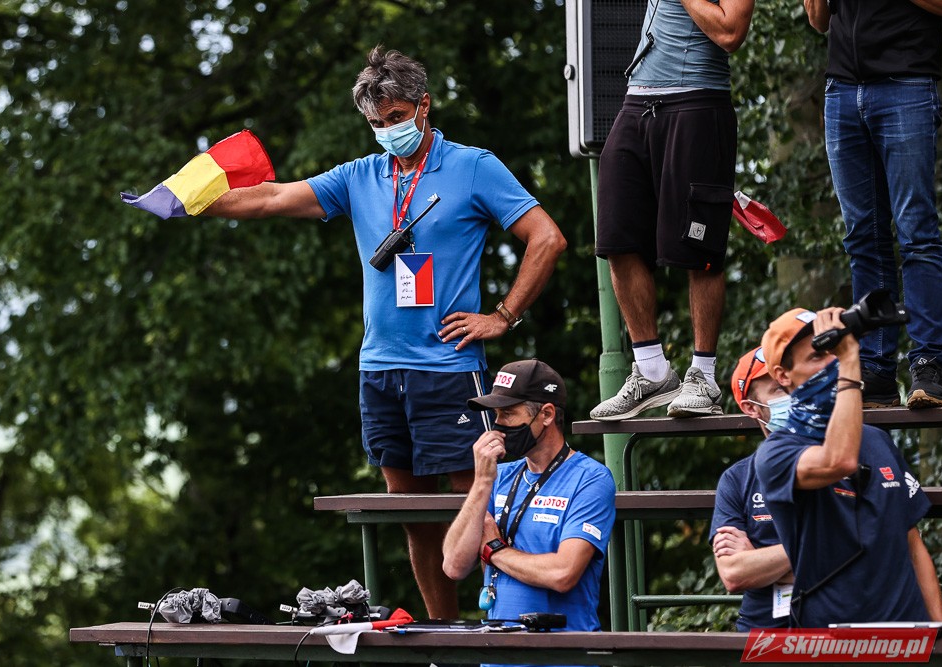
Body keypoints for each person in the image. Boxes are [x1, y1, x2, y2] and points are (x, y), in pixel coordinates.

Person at [204, 47, 566, 619]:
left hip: (449, 369)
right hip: (379, 371)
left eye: (396, 117)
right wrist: (190, 200)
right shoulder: (359, 176)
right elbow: (271, 196)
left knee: (477, 506)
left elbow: (547, 237)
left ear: (424, 105)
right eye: (376, 123)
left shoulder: (473, 165)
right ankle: (445, 637)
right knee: (413, 519)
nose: (387, 131)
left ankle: (501, 629)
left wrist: (502, 315)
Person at [589, 0, 755, 422]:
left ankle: (704, 377)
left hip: (698, 101)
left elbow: (731, 31)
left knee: (699, 249)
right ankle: (651, 371)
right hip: (637, 101)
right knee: (617, 240)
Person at [753, 307, 942, 627]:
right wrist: (849, 361)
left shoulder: (878, 440)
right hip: (835, 641)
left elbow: (913, 544)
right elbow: (839, 460)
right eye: (818, 356)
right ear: (783, 376)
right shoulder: (776, 454)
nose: (831, 362)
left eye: (835, 352)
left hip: (908, 636)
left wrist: (939, 625)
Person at [804, 0, 942, 409]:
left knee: (917, 234)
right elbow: (817, 20)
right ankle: (876, 370)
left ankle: (930, 364)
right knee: (863, 239)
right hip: (842, 89)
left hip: (907, 82)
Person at [442, 359, 616, 644]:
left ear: (546, 414)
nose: (498, 425)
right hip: (497, 654)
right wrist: (482, 482)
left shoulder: (591, 478)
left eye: (508, 413)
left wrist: (494, 550)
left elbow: (563, 573)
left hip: (562, 655)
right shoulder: (498, 475)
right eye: (496, 414)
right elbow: (454, 565)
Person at [711, 347, 793, 631]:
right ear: (751, 408)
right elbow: (734, 574)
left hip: (834, 628)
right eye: (778, 388)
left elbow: (862, 559)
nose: (793, 393)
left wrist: (759, 557)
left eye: (793, 381)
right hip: (762, 631)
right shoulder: (737, 478)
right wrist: (814, 552)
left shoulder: (842, 462)